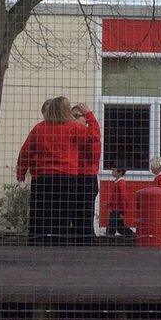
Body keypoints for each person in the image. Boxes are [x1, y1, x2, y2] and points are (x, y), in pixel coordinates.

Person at [17, 97, 97, 245]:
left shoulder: (39, 128)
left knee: (40, 213)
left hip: (42, 177)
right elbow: (93, 137)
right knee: (63, 214)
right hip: (66, 177)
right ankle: (60, 243)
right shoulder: (73, 128)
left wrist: (21, 171)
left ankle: (37, 242)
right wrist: (89, 115)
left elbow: (26, 150)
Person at [72, 102, 102, 245]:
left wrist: (90, 116)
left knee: (85, 211)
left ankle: (87, 240)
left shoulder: (90, 136)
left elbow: (94, 156)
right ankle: (79, 239)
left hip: (87, 177)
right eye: (72, 117)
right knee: (75, 211)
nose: (74, 120)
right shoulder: (72, 133)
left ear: (85, 119)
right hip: (73, 176)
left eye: (77, 116)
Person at [102, 168, 135, 239]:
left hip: (117, 209)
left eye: (114, 170)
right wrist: (108, 204)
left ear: (120, 172)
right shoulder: (117, 182)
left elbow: (123, 198)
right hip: (116, 208)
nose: (112, 172)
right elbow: (114, 198)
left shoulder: (121, 183)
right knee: (120, 227)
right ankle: (133, 237)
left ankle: (109, 241)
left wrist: (123, 212)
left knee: (112, 227)